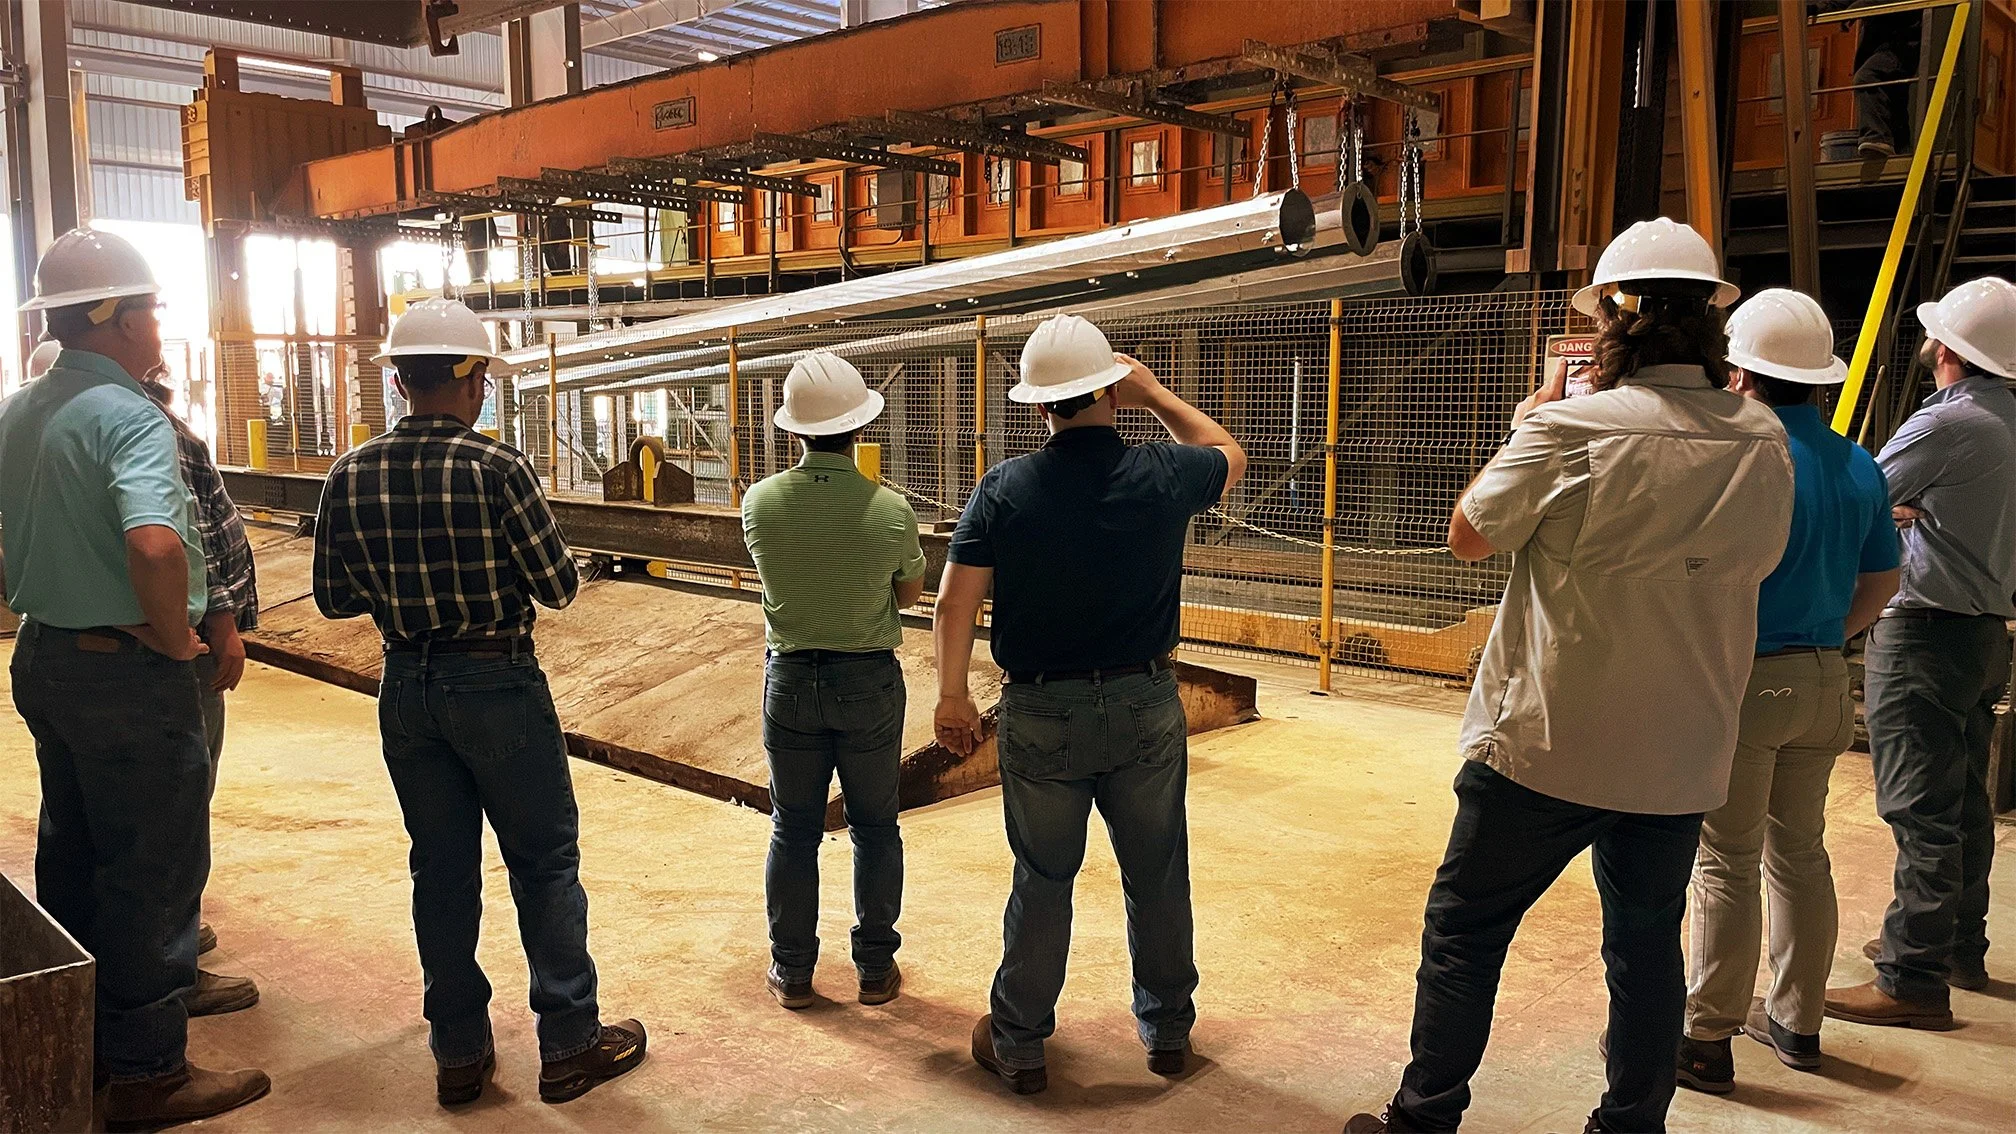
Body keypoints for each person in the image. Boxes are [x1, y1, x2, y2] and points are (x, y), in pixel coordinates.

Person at [1346, 218, 1795, 1134]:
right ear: (1713, 326)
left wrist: (1530, 423)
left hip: (1549, 746)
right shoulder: (1762, 438)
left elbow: (1470, 533)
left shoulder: (1571, 427)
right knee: (1643, 947)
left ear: (1609, 328)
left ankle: (1424, 1117)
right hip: (1681, 754)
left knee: (1467, 932)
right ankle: (1632, 1123)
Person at [311, 297, 646, 1107]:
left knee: (441, 871)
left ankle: (459, 1054)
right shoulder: (498, 468)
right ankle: (568, 1043)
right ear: (471, 378)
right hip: (495, 681)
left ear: (397, 379)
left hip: (405, 686)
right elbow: (559, 586)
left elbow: (330, 597)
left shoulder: (349, 473)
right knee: (543, 864)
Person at [934, 312, 1247, 1094]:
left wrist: (949, 697)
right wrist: (1154, 394)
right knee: (1157, 871)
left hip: (1041, 712)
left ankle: (1020, 1042)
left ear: (1039, 405)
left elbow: (954, 604)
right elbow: (1229, 454)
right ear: (1109, 390)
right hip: (1144, 702)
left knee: (1043, 877)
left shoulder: (1003, 488)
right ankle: (1169, 1032)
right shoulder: (1162, 474)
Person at [0, 227, 270, 1127]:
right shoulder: (129, 418)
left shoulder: (19, 410)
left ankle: (80, 1045)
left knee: (74, 853)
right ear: (114, 318)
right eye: (151, 307)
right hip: (126, 676)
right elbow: (156, 543)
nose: (161, 324)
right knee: (153, 868)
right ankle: (150, 1071)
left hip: (44, 659)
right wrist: (170, 636)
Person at [1679, 289, 1900, 1093]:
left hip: (1745, 681)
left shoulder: (1741, 456)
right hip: (1824, 682)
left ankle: (1705, 1037)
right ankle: (1797, 1022)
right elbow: (1884, 575)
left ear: (1740, 372)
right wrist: (1831, 638)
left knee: (1726, 862)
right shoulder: (1857, 461)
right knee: (1800, 854)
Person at [1826, 276, 2016, 1030]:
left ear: (1946, 349)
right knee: (1965, 802)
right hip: (1983, 634)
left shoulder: (1951, 424)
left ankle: (1910, 978)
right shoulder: (2007, 421)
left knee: (1921, 809)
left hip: (1925, 633)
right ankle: (1956, 947)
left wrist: (1905, 510)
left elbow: (1860, 500)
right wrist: (1915, 509)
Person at [741, 352, 927, 1010]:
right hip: (868, 681)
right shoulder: (891, 509)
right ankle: (875, 969)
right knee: (876, 826)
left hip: (790, 680)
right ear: (859, 428)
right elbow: (908, 592)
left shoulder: (758, 503)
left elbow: (777, 577)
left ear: (794, 430)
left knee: (793, 828)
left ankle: (793, 972)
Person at [139, 366, 264, 1020]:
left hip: (104, 649)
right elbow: (184, 540)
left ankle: (159, 937)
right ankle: (171, 959)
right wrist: (220, 625)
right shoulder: (149, 433)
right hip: (178, 646)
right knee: (179, 803)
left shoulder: (45, 423)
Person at [1815, 1, 1923, 160]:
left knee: (1867, 78)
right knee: (1893, 100)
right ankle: (1900, 152)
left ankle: (1877, 138)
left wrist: (1858, 6)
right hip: (1882, 45)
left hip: (1902, 42)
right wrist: (1810, 8)